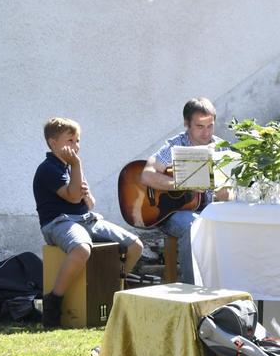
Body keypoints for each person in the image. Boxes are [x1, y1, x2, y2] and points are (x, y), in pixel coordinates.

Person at [33, 117, 144, 328]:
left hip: (86, 219)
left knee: (135, 246)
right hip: (58, 222)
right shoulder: (48, 169)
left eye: (77, 140)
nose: (76, 146)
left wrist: (85, 191)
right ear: (53, 143)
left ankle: (113, 289)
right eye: (70, 140)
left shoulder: (70, 168)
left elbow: (89, 203)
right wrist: (77, 167)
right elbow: (73, 197)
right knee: (82, 248)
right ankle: (53, 300)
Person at [140, 97, 229, 284]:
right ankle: (193, 289)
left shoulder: (222, 148)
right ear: (187, 124)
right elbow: (147, 175)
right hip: (174, 212)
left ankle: (225, 287)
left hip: (209, 211)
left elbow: (228, 192)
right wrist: (182, 183)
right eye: (199, 126)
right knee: (194, 226)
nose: (206, 133)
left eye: (210, 126)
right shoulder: (176, 145)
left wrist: (226, 194)